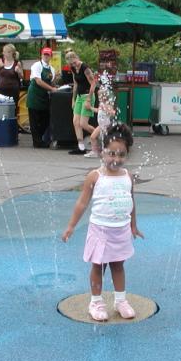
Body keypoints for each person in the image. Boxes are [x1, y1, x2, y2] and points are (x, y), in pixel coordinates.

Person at [61, 124, 144, 322]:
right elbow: (82, 203)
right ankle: (96, 303)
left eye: (121, 155)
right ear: (102, 152)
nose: (116, 159)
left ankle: (120, 300)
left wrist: (133, 226)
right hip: (100, 230)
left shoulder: (127, 176)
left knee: (118, 266)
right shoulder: (95, 176)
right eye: (112, 153)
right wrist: (71, 226)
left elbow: (131, 202)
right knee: (98, 266)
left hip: (120, 231)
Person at [66, 50, 97, 155]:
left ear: (77, 58)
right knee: (76, 122)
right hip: (79, 97)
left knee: (83, 124)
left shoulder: (85, 68)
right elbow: (75, 84)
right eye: (71, 64)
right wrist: (73, 99)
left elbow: (93, 83)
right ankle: (81, 147)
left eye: (74, 62)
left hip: (87, 96)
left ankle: (99, 136)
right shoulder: (73, 69)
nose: (74, 65)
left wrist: (88, 99)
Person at [26, 47, 57, 148]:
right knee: (34, 121)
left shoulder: (52, 69)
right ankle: (37, 142)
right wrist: (52, 89)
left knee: (45, 119)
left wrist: (55, 85)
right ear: (41, 55)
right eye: (45, 54)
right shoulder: (36, 65)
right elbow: (38, 81)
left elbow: (51, 82)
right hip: (34, 96)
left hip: (44, 97)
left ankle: (39, 140)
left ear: (51, 56)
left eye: (48, 55)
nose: (46, 56)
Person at [84, 79, 117, 159]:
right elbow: (98, 110)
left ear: (104, 96)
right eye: (98, 96)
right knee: (93, 137)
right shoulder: (101, 104)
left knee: (105, 140)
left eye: (100, 96)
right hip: (101, 125)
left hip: (105, 125)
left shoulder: (107, 104)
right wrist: (90, 108)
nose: (99, 97)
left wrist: (106, 109)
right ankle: (95, 152)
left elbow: (113, 112)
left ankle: (110, 152)